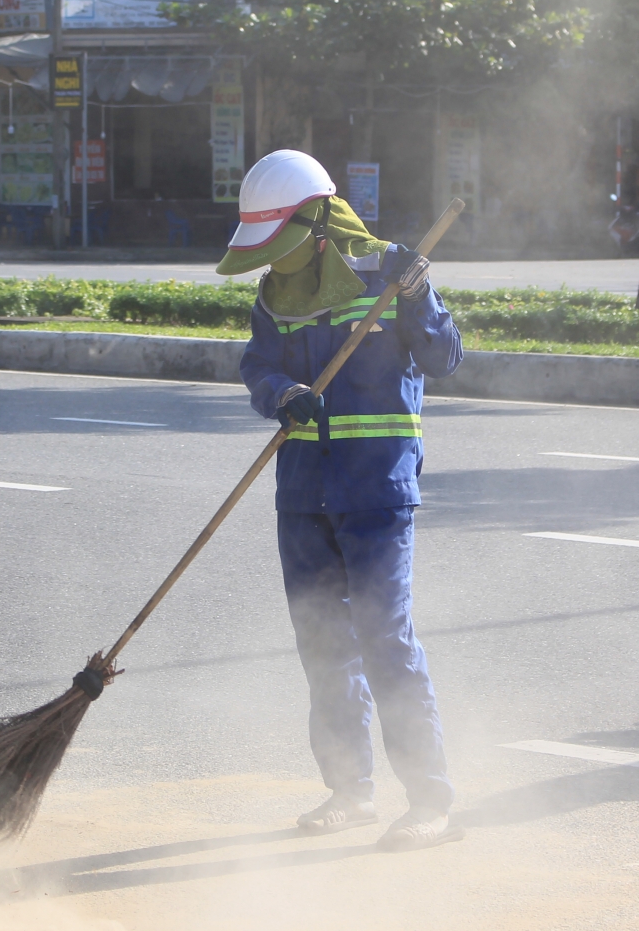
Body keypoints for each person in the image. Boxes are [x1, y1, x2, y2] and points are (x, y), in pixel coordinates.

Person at [217, 149, 465, 852]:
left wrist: (418, 296)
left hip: (377, 490)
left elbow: (445, 357)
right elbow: (257, 364)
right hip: (302, 492)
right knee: (323, 644)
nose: (275, 259)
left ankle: (429, 802)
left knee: (385, 639)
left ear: (318, 224)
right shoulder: (273, 293)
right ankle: (349, 791)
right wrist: (279, 394)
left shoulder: (390, 272)